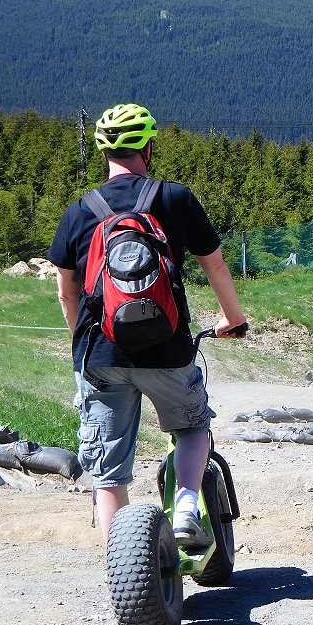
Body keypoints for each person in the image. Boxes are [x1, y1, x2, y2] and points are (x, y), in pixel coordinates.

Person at [47, 103, 248, 547]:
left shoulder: (79, 211)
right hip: (168, 348)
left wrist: (83, 348)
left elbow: (67, 292)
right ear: (148, 148)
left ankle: (121, 562)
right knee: (193, 428)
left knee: (108, 471)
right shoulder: (175, 198)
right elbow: (215, 266)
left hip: (101, 355)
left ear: (103, 152)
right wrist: (233, 319)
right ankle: (187, 509)